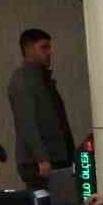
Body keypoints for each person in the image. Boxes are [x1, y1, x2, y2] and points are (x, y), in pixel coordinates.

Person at [7, 28, 74, 190]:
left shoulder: (41, 78)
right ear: (28, 49)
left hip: (55, 157)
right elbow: (26, 122)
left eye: (49, 47)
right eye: (44, 47)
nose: (49, 52)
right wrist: (41, 158)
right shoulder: (23, 80)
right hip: (40, 162)